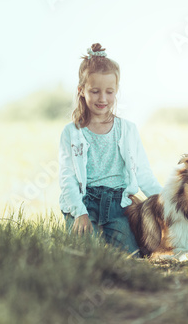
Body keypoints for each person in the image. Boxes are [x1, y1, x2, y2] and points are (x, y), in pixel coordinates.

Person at [58, 43, 162, 256]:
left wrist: (167, 203)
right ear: (81, 91)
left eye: (109, 92)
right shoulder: (72, 132)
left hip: (118, 205)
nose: (102, 99)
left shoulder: (128, 130)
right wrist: (79, 213)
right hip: (84, 202)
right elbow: (67, 178)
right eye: (95, 91)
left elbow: (143, 173)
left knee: (131, 257)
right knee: (85, 255)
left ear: (116, 91)